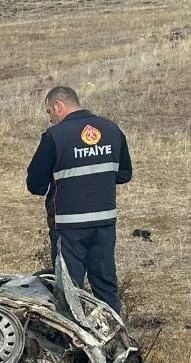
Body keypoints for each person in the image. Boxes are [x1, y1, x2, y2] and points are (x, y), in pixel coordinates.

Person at [25, 86, 131, 314]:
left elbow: (34, 184)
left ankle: (73, 334)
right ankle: (114, 330)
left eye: (49, 112)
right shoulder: (112, 130)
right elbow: (124, 174)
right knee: (106, 287)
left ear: (58, 106)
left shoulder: (54, 137)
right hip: (104, 223)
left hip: (68, 226)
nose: (50, 118)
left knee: (68, 290)